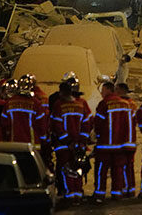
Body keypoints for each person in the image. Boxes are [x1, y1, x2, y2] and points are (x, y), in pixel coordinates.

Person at [50, 73, 92, 202]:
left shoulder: (58, 105)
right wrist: (81, 141)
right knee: (78, 167)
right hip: (79, 144)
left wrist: (68, 141)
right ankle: (78, 193)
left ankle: (68, 194)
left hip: (64, 145)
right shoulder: (82, 104)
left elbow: (56, 125)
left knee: (65, 169)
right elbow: (88, 123)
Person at [92, 80, 136, 202]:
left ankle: (99, 194)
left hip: (105, 145)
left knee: (101, 171)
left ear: (108, 90)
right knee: (118, 170)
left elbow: (98, 123)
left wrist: (97, 135)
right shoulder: (125, 104)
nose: (101, 93)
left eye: (103, 91)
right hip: (121, 145)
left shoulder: (104, 103)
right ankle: (117, 194)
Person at [0, 74, 48, 148]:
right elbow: (42, 125)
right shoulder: (36, 104)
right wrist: (44, 141)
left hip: (13, 144)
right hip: (32, 146)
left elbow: (4, 124)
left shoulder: (9, 102)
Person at [116, 82, 139, 198]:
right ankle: (131, 189)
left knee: (120, 166)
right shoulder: (133, 104)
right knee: (129, 166)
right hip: (131, 139)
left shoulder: (119, 105)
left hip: (120, 139)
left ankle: (124, 189)